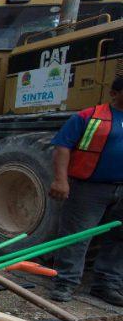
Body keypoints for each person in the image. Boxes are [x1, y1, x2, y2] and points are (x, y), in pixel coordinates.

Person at [48, 76, 123, 305]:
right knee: (77, 236)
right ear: (114, 93)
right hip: (89, 187)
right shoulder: (89, 116)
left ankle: (107, 284)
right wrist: (61, 180)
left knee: (119, 239)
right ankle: (65, 283)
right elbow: (63, 147)